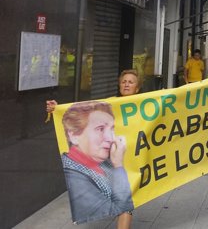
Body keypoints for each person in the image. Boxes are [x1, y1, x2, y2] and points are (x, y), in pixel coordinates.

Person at [46, 69, 140, 228]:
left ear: (137, 88)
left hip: (130, 159)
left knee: (126, 205)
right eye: (124, 81)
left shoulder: (143, 104)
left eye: (131, 82)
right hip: (110, 162)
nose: (126, 84)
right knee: (123, 202)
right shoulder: (108, 104)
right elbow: (82, 109)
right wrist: (58, 109)